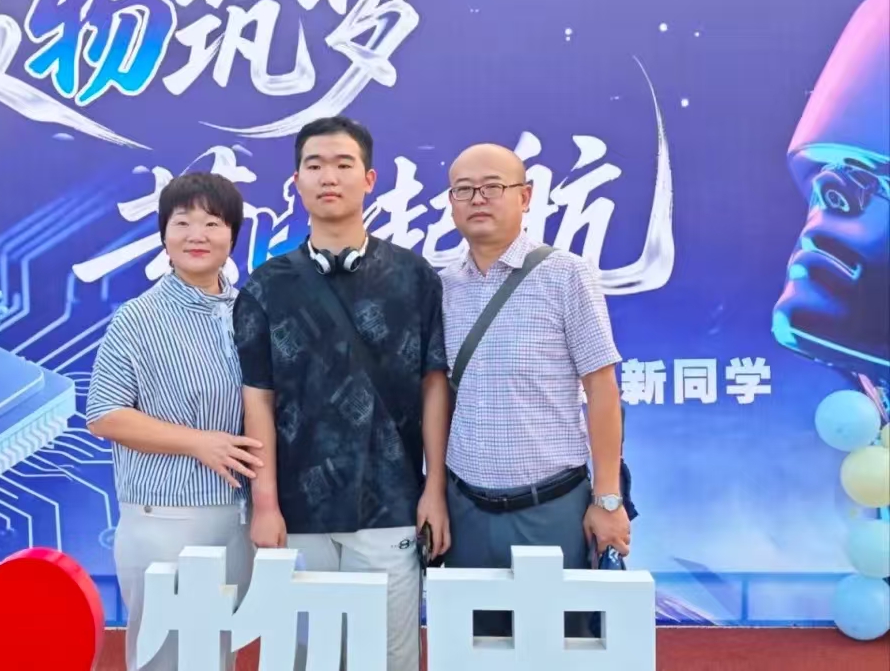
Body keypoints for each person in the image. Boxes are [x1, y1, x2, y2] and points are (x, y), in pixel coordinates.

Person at [233, 116, 451, 671]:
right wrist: (265, 503)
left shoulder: (414, 277)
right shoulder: (266, 285)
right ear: (297, 182)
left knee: (389, 657)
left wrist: (434, 490)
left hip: (391, 505)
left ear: (369, 179)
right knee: (303, 658)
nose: (328, 177)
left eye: (343, 164)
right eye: (314, 165)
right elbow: (258, 398)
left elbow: (434, 385)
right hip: (297, 513)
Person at [439, 143, 630, 638]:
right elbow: (436, 398)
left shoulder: (565, 275)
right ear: (451, 202)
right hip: (466, 511)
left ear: (525, 197)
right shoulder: (442, 287)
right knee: (475, 648)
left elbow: (602, 389)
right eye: (464, 190)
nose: (478, 199)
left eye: (493, 187)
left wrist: (608, 500)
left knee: (559, 646)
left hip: (551, 508)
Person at [86, 172, 263, 671]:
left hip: (239, 517)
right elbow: (104, 414)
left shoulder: (251, 312)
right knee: (164, 658)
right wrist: (197, 443)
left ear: (233, 235)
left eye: (212, 222)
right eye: (182, 222)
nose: (196, 235)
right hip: (165, 518)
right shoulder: (138, 318)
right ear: (164, 235)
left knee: (217, 654)